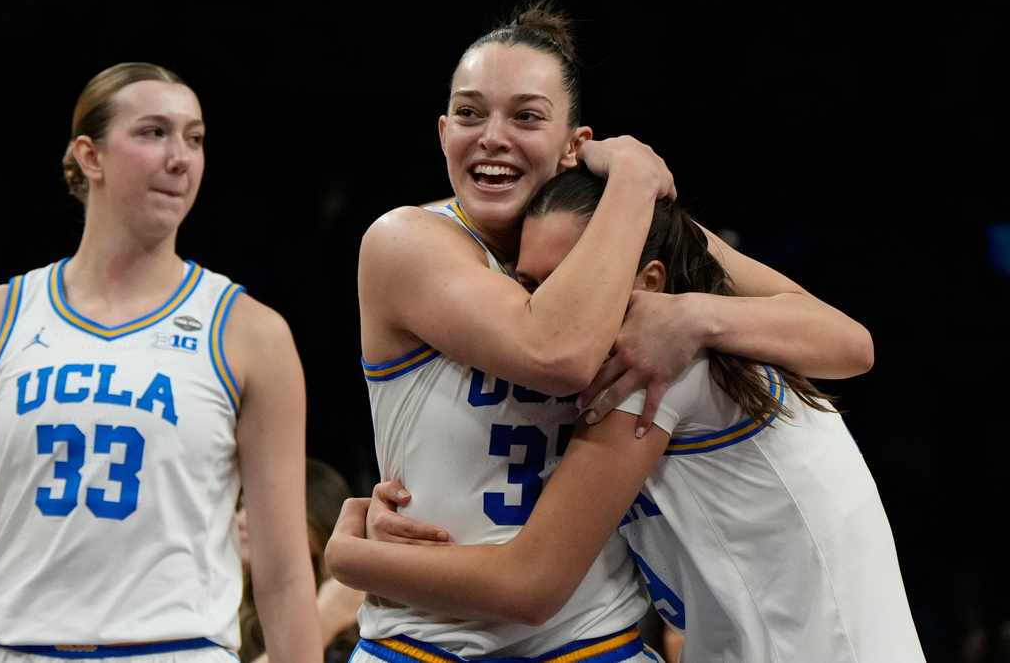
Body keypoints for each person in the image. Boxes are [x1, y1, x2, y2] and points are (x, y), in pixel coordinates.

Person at [349, 0, 873, 663]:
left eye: (526, 117)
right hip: (423, 644)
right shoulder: (407, 240)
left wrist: (692, 313)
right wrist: (632, 173)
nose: (492, 136)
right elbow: (556, 351)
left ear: (576, 146)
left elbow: (845, 343)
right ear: (443, 131)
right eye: (469, 112)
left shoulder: (625, 230)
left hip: (598, 644)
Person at [327, 168, 925, 662]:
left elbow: (528, 586)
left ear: (647, 278)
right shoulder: (711, 331)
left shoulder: (654, 365)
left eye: (571, 280)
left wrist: (353, 559)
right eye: (528, 284)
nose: (545, 306)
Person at [0, 63, 321, 662]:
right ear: (90, 156)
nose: (180, 157)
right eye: (153, 133)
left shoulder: (251, 333)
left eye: (194, 138)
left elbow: (286, 574)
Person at [238, 458, 364, 663]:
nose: (240, 521)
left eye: (259, 509)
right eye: (242, 506)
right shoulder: (228, 607)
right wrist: (324, 620)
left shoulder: (363, 624)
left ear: (314, 526)